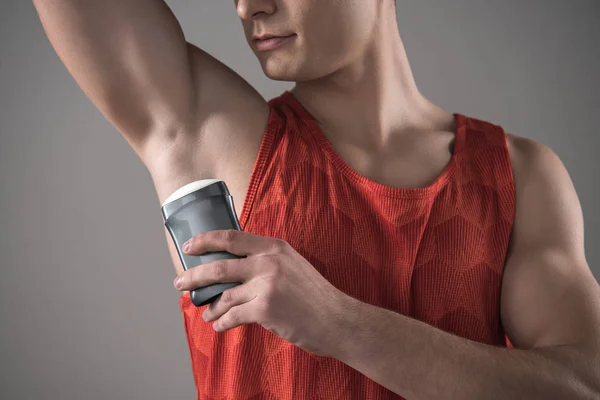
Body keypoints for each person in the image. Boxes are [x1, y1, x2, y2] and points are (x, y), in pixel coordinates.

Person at [32, 0, 600, 399]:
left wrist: (340, 323)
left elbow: (583, 387)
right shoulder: (208, 132)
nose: (247, 6)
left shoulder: (519, 175)